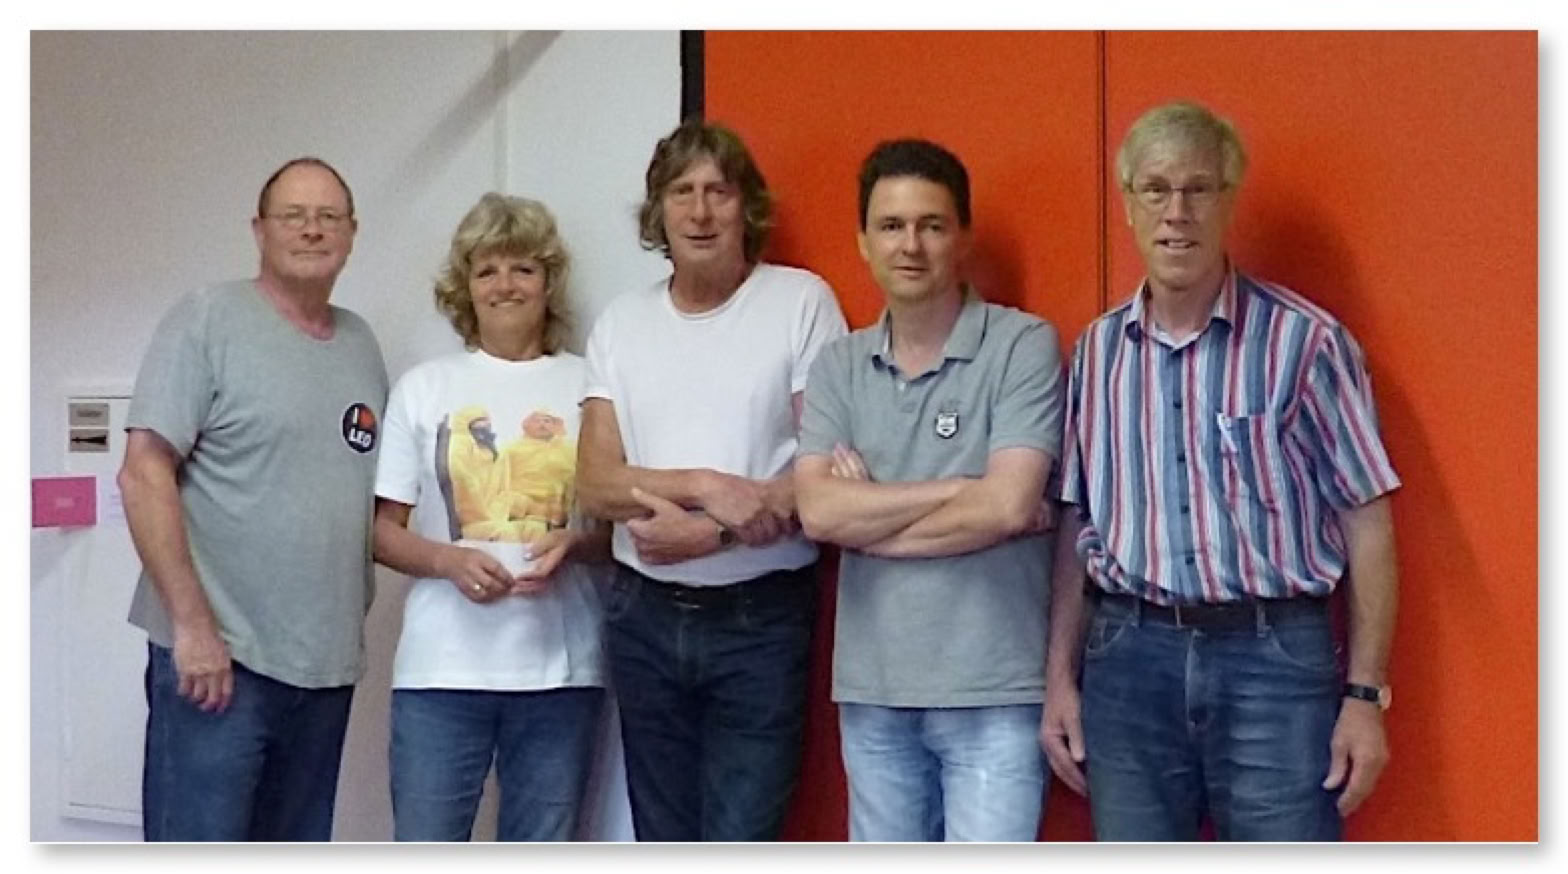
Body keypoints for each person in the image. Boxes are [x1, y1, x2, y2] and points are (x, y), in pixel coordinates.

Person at [1039, 100, 1401, 841]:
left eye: (1198, 189)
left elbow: (1368, 521)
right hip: (1127, 661)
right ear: (1128, 205)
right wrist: (1058, 681)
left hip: (1274, 663)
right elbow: (1077, 523)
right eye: (1155, 189)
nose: (1177, 212)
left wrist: (1365, 696)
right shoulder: (1097, 354)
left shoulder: (1306, 342)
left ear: (1229, 199)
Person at [577, 118, 848, 841]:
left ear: (746, 206)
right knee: (662, 838)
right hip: (643, 617)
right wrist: (703, 484)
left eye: (718, 192)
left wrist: (712, 535)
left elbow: (824, 471)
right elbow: (596, 483)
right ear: (658, 211)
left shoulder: (800, 303)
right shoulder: (621, 324)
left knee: (742, 838)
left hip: (761, 622)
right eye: (682, 192)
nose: (700, 211)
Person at [795, 139, 1065, 842]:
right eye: (891, 226)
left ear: (963, 237)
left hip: (994, 693)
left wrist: (871, 520)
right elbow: (818, 511)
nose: (910, 245)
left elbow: (1008, 504)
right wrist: (959, 489)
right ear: (863, 242)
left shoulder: (1022, 346)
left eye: (931, 225)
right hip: (874, 693)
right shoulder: (838, 366)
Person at [119, 157, 388, 841]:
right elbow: (143, 474)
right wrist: (192, 628)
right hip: (219, 666)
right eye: (293, 215)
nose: (311, 229)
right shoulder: (207, 320)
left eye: (328, 217)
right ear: (259, 230)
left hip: (324, 671)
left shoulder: (360, 345)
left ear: (351, 233)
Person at [371, 193, 609, 841]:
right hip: (441, 674)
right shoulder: (424, 388)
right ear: (465, 288)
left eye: (523, 268)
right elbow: (382, 532)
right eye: (487, 270)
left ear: (548, 282)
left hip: (561, 675)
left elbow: (621, 527)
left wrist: (576, 544)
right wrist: (446, 560)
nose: (505, 285)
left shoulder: (591, 384)